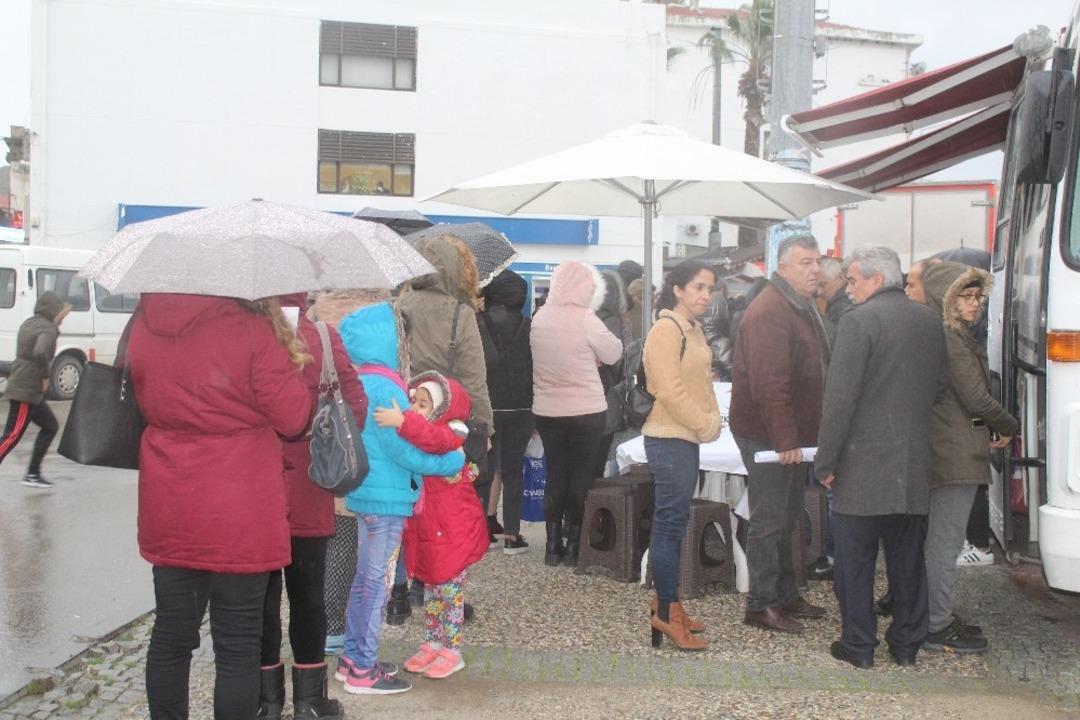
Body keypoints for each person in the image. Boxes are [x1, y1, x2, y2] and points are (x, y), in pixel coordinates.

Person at [128, 294, 312, 719]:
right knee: (237, 645)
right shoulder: (251, 328)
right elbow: (293, 417)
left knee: (172, 634)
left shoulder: (145, 323)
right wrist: (290, 357)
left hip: (169, 496)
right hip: (239, 506)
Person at [814, 246, 947, 669]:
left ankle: (859, 645)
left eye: (853, 280)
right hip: (912, 464)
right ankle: (907, 645)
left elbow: (839, 400)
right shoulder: (929, 319)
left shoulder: (858, 322)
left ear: (875, 280)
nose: (848, 289)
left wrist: (826, 462)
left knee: (855, 562)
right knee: (908, 560)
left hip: (862, 464)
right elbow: (942, 386)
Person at [336, 302, 464, 695]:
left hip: (364, 494)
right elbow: (401, 449)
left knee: (364, 580)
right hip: (387, 499)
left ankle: (353, 657)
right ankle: (363, 669)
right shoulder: (388, 386)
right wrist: (449, 460)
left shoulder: (357, 378)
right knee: (378, 583)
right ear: (390, 340)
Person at [257, 294, 368, 720]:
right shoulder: (323, 335)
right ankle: (309, 701)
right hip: (311, 484)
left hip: (259, 486)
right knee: (308, 596)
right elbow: (355, 401)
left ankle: (267, 701)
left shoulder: (252, 335)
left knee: (262, 600)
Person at [729, 235, 829, 635]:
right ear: (782, 267)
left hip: (790, 435)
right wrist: (786, 441)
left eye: (817, 261)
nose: (815, 269)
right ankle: (760, 604)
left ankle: (785, 594)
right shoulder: (770, 310)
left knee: (787, 517)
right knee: (769, 520)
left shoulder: (798, 306)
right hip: (768, 436)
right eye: (806, 262)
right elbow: (770, 384)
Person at [921, 262, 1018, 655]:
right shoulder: (951, 338)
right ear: (948, 300)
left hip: (954, 449)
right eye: (966, 296)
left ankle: (935, 615)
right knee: (943, 545)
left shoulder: (954, 335)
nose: (975, 303)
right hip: (954, 455)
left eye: (978, 296)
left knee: (940, 543)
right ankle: (936, 625)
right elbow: (975, 397)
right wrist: (1010, 424)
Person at [394, 235, 494, 615]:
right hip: (446, 424)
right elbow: (473, 377)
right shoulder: (459, 313)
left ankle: (400, 592)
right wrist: (483, 427)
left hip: (403, 416)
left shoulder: (397, 305)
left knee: (405, 504)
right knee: (441, 511)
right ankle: (440, 589)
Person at [373, 372, 487, 679]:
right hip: (433, 531)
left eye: (424, 404)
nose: (417, 407)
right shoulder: (422, 434)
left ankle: (452, 649)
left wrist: (403, 421)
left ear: (441, 409)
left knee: (450, 593)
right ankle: (433, 642)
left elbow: (432, 439)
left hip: (452, 531)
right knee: (433, 591)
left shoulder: (450, 433)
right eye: (414, 401)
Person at [642, 260, 723, 651]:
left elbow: (702, 383)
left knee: (673, 523)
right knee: (670, 525)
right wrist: (705, 425)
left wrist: (712, 419)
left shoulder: (693, 329)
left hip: (684, 437)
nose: (706, 295)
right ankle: (667, 612)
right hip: (668, 435)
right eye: (698, 287)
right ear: (677, 289)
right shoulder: (666, 329)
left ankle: (667, 601)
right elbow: (668, 390)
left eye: (710, 288)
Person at [307, 288, 391, 653]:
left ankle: (326, 622)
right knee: (355, 538)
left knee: (329, 535)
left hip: (320, 428)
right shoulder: (382, 312)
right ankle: (340, 626)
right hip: (361, 431)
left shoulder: (317, 311)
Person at [530, 261, 622, 567]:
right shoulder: (586, 319)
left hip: (547, 410)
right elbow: (614, 352)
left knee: (556, 473)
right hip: (586, 410)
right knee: (582, 476)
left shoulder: (539, 317)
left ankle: (551, 545)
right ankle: (574, 546)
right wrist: (592, 355)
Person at [478, 270, 534, 554]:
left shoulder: (478, 323)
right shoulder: (529, 325)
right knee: (513, 472)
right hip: (522, 407)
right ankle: (513, 535)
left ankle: (481, 534)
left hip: (486, 406)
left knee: (482, 471)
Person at [0, 292, 70, 489]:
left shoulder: (29, 323)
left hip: (27, 387)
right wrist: (45, 376)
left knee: (50, 426)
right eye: (61, 316)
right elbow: (40, 351)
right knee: (12, 436)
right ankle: (32, 473)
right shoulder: (47, 329)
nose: (62, 321)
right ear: (53, 312)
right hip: (27, 389)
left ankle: (32, 473)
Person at [591, 269, 630, 481]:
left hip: (582, 400)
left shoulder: (584, 317)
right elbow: (619, 362)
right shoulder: (614, 321)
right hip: (605, 401)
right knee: (596, 466)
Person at [818, 255, 852, 347]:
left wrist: (816, 318)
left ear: (840, 278)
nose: (819, 292)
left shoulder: (844, 305)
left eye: (823, 285)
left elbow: (838, 343)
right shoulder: (839, 301)